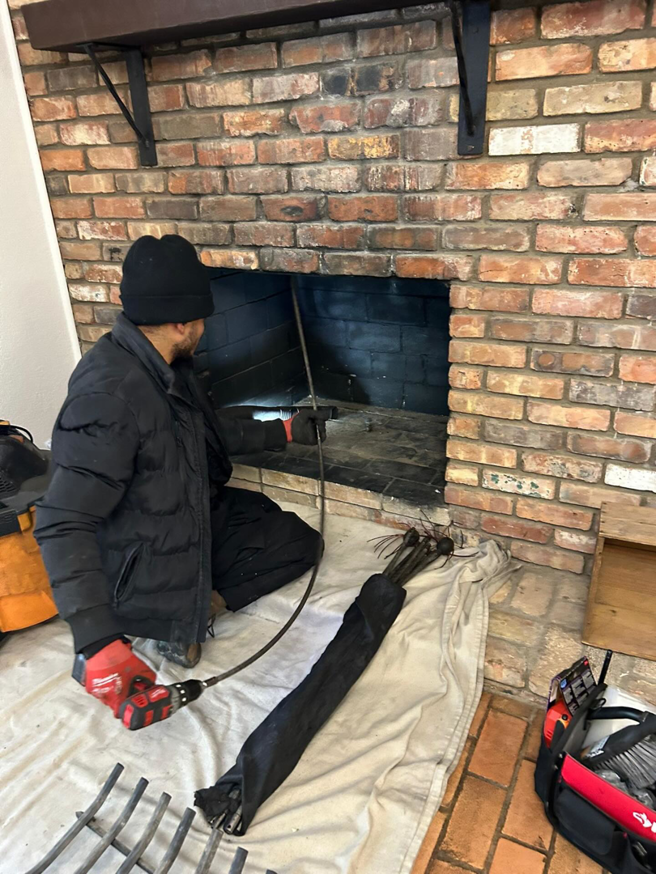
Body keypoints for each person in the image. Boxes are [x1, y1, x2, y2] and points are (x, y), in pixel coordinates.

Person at [35, 234, 329, 720]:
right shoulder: (109, 398)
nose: (205, 328)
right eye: (202, 319)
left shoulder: (166, 365)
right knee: (271, 542)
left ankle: (202, 602)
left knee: (293, 538)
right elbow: (62, 521)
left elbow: (206, 432)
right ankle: (174, 618)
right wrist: (96, 639)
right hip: (146, 555)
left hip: (184, 512)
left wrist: (286, 430)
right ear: (181, 321)